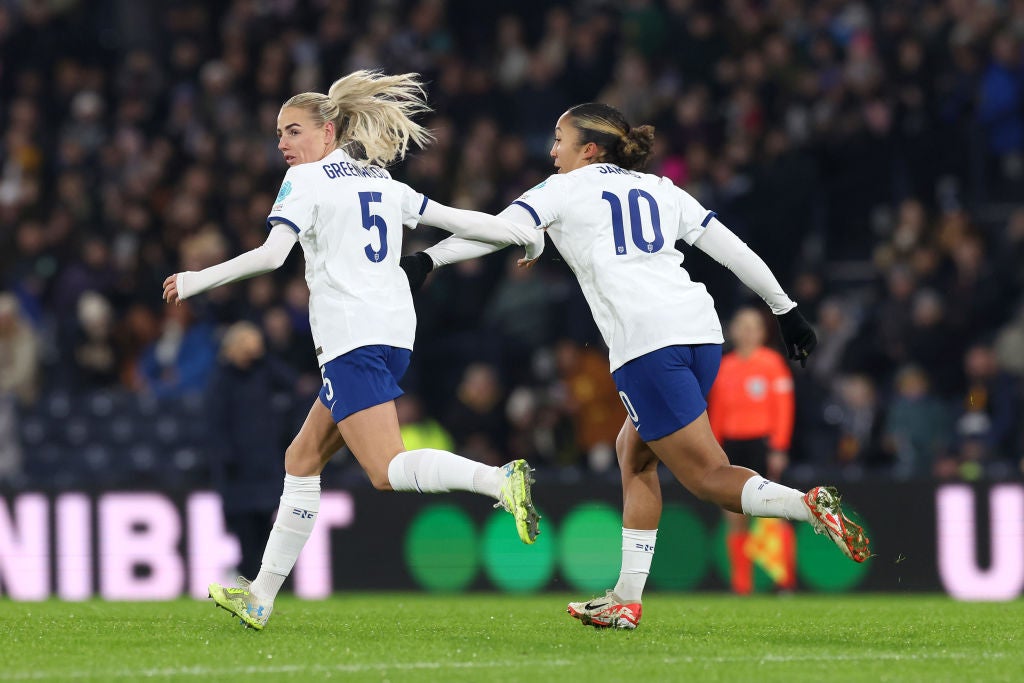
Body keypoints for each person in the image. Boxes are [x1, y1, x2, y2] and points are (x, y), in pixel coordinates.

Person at [402, 102, 871, 630]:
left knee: (706, 476)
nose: (551, 150)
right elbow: (732, 250)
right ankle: (626, 597)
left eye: (560, 139)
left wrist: (428, 259)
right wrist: (785, 309)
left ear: (590, 148)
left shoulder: (561, 190)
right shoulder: (660, 189)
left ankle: (809, 507)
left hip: (647, 347)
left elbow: (495, 229)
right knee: (634, 453)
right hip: (701, 335)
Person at [162, 70, 544, 630]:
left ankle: (497, 480)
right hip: (392, 335)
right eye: (278, 135)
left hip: (351, 340)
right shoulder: (380, 181)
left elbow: (272, 257)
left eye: (293, 131)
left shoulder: (307, 182)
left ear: (328, 132)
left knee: (386, 470)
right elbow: (456, 220)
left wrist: (199, 279)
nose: (283, 145)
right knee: (302, 458)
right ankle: (261, 594)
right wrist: (522, 233)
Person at [707, 307, 795, 595]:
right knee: (734, 516)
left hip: (762, 444)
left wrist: (779, 447)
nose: (746, 332)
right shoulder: (724, 366)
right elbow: (717, 413)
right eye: (741, 326)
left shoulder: (772, 364)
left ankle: (784, 583)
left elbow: (783, 409)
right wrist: (715, 450)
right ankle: (742, 586)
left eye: (752, 326)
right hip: (732, 446)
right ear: (732, 331)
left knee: (772, 513)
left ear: (762, 332)